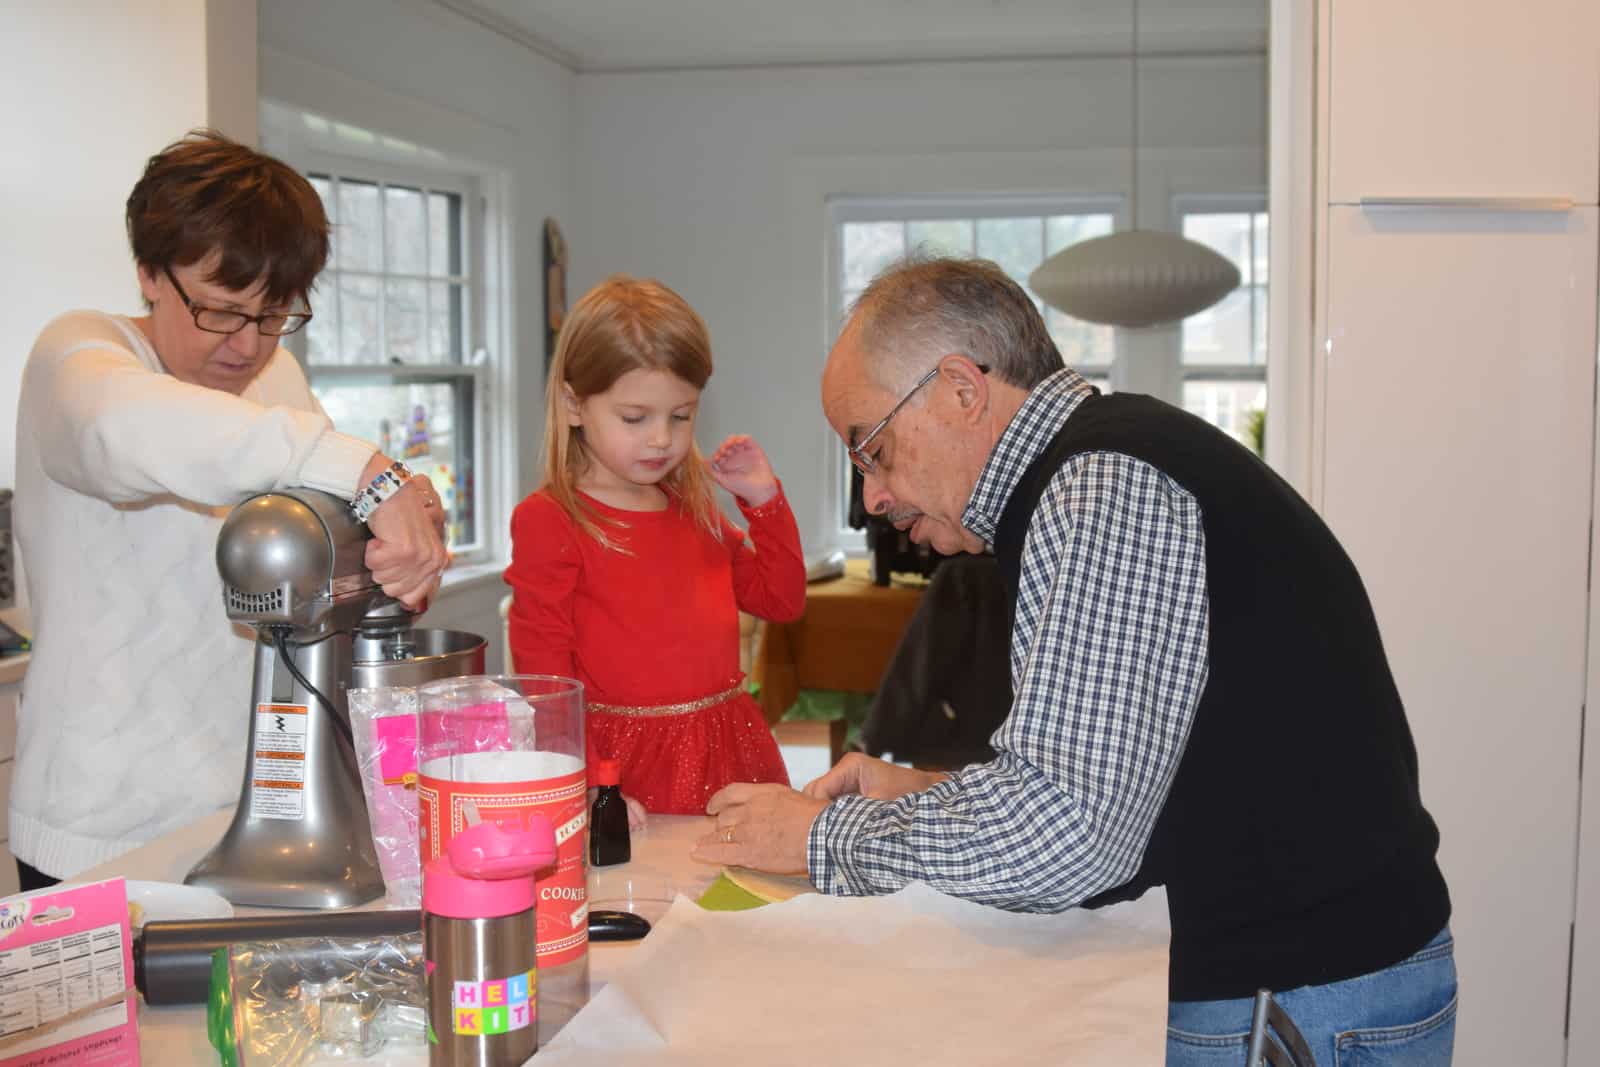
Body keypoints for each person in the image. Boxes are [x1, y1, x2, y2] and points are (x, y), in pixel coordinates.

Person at [691, 256, 1457, 1063]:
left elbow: (1072, 836)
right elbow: (1125, 784)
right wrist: (930, 789)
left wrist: (823, 838)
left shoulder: (1100, 485)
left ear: (959, 388)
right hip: (1307, 982)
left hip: (1296, 995)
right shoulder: (1102, 461)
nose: (874, 495)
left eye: (872, 448)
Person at [12, 132, 450, 890]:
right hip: (95, 828)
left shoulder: (275, 377)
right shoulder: (78, 359)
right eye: (219, 311)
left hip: (250, 807)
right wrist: (369, 474)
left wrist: (401, 540)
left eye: (273, 314)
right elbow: (129, 428)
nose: (246, 345)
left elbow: (330, 523)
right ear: (150, 274)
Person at [505, 276, 805, 818]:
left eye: (681, 416)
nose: (662, 438)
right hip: (621, 769)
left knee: (744, 900)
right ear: (574, 404)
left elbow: (782, 601)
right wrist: (591, 781)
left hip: (730, 752)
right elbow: (545, 675)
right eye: (635, 418)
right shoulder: (550, 521)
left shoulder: (695, 510)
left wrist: (764, 501)